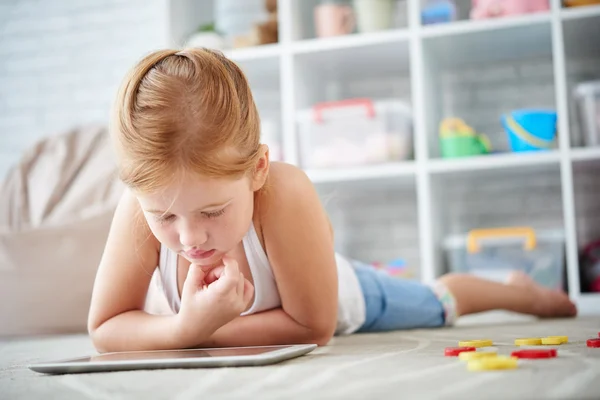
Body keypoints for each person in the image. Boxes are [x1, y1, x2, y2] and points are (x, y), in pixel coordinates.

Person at [87, 48, 577, 353]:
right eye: (164, 216)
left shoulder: (284, 190)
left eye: (213, 211)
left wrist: (194, 332)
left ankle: (518, 291)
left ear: (256, 170)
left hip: (345, 294)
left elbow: (313, 326)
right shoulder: (138, 202)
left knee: (438, 301)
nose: (189, 237)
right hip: (219, 319)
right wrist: (183, 331)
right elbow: (105, 326)